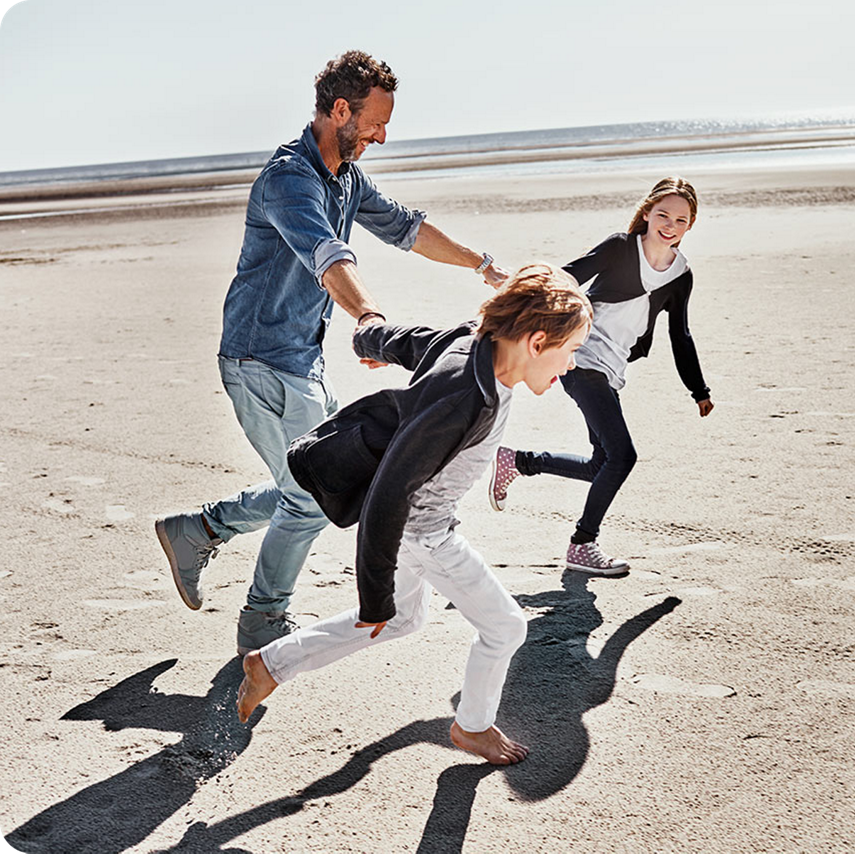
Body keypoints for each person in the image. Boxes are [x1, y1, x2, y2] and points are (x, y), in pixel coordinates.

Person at [154, 50, 507, 655]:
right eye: (374, 122)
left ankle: (201, 528)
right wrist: (370, 317)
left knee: (330, 475)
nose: (382, 135)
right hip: (260, 360)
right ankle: (262, 620)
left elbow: (406, 227)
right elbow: (327, 256)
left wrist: (481, 264)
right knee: (309, 493)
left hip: (300, 358)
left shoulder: (345, 175)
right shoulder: (290, 179)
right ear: (339, 109)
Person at [236, 264, 592, 765]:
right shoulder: (465, 399)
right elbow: (388, 492)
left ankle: (270, 664)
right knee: (506, 627)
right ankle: (473, 727)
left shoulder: (472, 342)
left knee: (401, 620)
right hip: (425, 532)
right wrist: (373, 592)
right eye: (571, 350)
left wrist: (368, 338)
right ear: (536, 343)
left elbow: (411, 341)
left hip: (414, 531)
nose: (571, 365)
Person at [487, 177, 713, 575]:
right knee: (623, 456)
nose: (670, 224)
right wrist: (520, 291)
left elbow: (682, 334)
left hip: (611, 369)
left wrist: (698, 388)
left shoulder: (681, 275)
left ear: (690, 225)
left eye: (681, 219)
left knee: (601, 463)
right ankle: (582, 544)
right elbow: (570, 275)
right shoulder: (621, 248)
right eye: (663, 214)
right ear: (646, 213)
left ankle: (517, 462)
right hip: (578, 358)